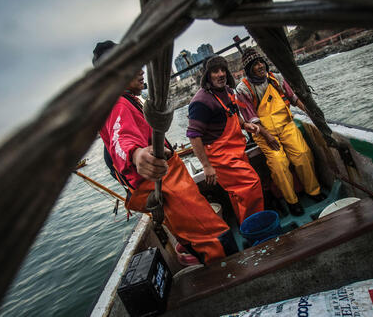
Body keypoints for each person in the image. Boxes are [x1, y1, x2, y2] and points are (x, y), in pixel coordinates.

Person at [93, 41, 238, 265]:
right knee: (218, 238)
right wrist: (137, 155)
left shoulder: (128, 100)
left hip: (171, 181)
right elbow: (121, 141)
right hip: (167, 184)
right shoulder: (118, 105)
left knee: (202, 237)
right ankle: (232, 273)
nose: (142, 71)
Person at [236, 48, 325, 216]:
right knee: (279, 165)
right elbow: (250, 118)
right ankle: (292, 201)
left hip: (286, 125)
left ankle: (314, 191)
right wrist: (268, 136)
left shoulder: (276, 78)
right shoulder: (243, 90)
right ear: (249, 69)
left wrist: (310, 112)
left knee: (302, 153)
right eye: (256, 65)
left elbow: (293, 98)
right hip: (264, 132)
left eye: (261, 62)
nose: (261, 66)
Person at [187, 55, 264, 226]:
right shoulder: (200, 102)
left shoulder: (229, 92)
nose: (221, 74)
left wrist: (245, 125)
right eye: (215, 71)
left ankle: (246, 225)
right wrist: (206, 166)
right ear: (207, 76)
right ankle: (256, 227)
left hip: (236, 151)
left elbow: (232, 114)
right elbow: (193, 136)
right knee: (251, 185)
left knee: (238, 193)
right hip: (221, 158)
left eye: (223, 70)